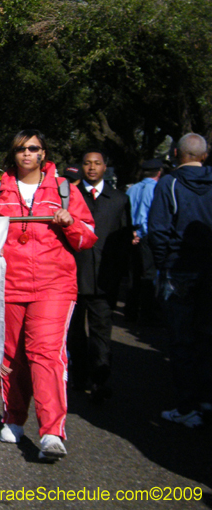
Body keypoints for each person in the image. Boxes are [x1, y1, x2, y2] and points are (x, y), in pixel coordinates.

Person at [0, 129, 96, 460]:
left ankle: (52, 432)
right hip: (9, 285)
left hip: (54, 286)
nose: (27, 153)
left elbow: (87, 239)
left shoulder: (65, 190)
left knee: (46, 353)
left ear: (43, 153)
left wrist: (69, 223)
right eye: (20, 149)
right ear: (12, 155)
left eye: (34, 148)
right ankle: (13, 419)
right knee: (12, 356)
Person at [148, 133, 212, 428]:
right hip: (208, 270)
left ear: (175, 153)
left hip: (178, 269)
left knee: (181, 339)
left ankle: (187, 406)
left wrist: (164, 263)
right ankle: (205, 398)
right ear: (205, 155)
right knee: (205, 336)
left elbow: (158, 229)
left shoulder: (168, 183)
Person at [68, 150, 133, 403]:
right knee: (75, 332)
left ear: (106, 167)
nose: (92, 168)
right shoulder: (70, 196)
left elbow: (124, 239)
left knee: (101, 331)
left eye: (97, 163)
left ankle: (100, 379)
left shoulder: (118, 199)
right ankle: (80, 375)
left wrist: (122, 275)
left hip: (104, 278)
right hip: (74, 274)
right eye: (87, 163)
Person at [125, 158, 163, 323]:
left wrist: (132, 232)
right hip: (146, 235)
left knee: (133, 275)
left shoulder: (132, 189)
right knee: (149, 275)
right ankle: (147, 313)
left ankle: (131, 310)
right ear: (159, 172)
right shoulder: (156, 189)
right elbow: (148, 216)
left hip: (132, 235)